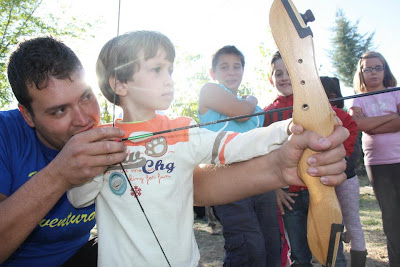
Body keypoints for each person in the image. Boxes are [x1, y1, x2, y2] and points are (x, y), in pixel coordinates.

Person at [0, 36, 348, 266]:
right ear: (27, 114)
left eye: (86, 97)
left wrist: (287, 134)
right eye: (59, 110)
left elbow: (213, 158)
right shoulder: (10, 136)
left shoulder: (176, 129)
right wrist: (67, 173)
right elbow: (79, 196)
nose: (81, 119)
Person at [69, 33, 298, 267]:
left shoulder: (182, 130)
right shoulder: (101, 141)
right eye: (156, 69)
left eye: (169, 70)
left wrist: (288, 127)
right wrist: (94, 162)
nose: (169, 79)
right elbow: (78, 198)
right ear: (120, 83)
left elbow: (235, 145)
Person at [198, 45, 281, 266]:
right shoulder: (210, 90)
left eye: (237, 66)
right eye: (224, 67)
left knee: (271, 245)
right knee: (247, 247)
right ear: (213, 73)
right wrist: (252, 99)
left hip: (260, 180)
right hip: (227, 180)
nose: (232, 72)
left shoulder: (256, 110)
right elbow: (243, 113)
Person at [264, 51, 348, 267]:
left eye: (289, 72)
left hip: (321, 190)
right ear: (270, 78)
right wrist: (275, 190)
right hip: (289, 198)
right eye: (278, 72)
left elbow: (348, 126)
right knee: (300, 255)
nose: (284, 77)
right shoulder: (266, 114)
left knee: (332, 251)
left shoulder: (317, 103)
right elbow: (264, 156)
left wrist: (336, 158)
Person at [348, 51, 400, 266]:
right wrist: (392, 116)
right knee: (390, 217)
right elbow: (358, 125)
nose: (373, 72)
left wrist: (373, 124)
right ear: (361, 73)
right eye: (367, 69)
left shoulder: (395, 92)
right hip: (377, 164)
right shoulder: (356, 98)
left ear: (384, 70)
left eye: (377, 67)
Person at [320, 76, 367, 267]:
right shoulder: (311, 119)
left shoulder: (344, 118)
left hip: (346, 180)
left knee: (352, 223)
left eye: (330, 96)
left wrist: (339, 166)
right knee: (329, 225)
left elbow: (352, 151)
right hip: (321, 183)